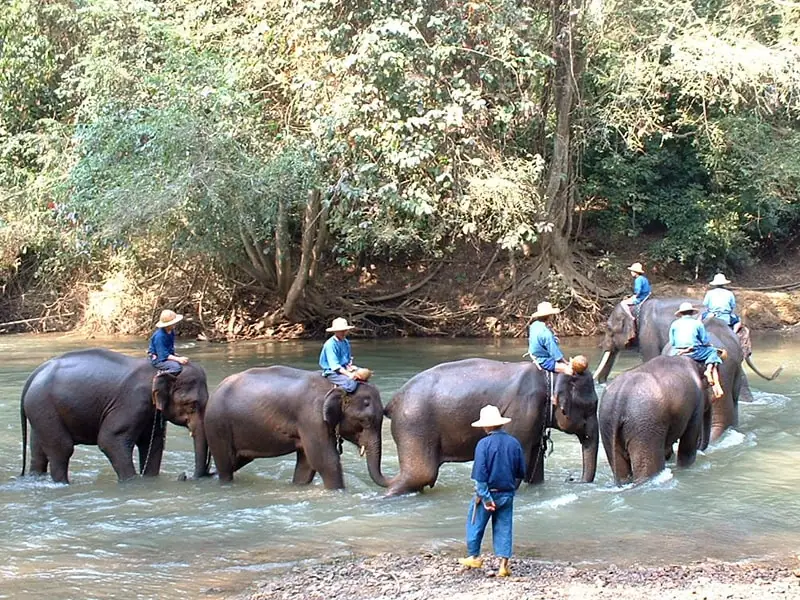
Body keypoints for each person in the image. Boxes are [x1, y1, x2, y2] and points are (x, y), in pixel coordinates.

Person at [459, 405, 526, 578]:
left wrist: (486, 498)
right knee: (504, 527)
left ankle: (474, 557)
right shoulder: (514, 443)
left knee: (475, 523)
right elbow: (521, 472)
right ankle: (503, 566)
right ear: (500, 423)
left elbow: (480, 476)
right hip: (507, 493)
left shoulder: (483, 444)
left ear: (487, 426)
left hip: (488, 494)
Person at [669, 302, 724, 399]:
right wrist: (708, 345)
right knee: (712, 352)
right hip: (694, 352)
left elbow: (672, 342)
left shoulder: (674, 324)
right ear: (691, 312)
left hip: (678, 352)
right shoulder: (697, 323)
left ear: (681, 313)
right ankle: (708, 370)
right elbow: (704, 340)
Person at [148, 309, 190, 411]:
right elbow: (163, 355)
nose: (174, 324)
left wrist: (175, 355)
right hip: (158, 359)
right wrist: (178, 359)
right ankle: (161, 377)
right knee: (176, 367)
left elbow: (169, 348)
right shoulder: (159, 336)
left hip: (167, 354)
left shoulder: (170, 332)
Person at [319, 317, 369, 393]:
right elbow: (335, 366)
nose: (343, 333)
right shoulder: (330, 344)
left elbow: (347, 359)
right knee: (351, 385)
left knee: (365, 373)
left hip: (345, 368)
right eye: (341, 331)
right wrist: (349, 374)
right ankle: (336, 394)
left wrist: (351, 368)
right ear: (335, 331)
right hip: (333, 372)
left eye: (345, 330)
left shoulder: (345, 342)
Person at [528, 301, 573, 375]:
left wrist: (553, 338)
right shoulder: (546, 333)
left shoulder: (534, 325)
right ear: (549, 316)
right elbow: (555, 353)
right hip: (544, 360)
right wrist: (566, 363)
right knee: (568, 370)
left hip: (535, 356)